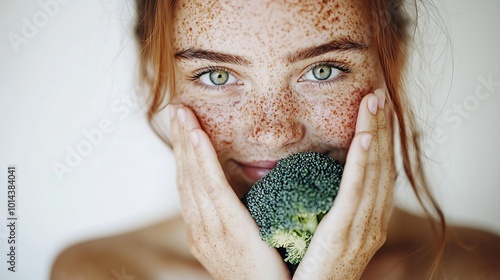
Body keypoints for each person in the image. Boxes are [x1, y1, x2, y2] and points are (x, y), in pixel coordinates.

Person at [51, 0, 500, 279]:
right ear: (158, 77)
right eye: (217, 75)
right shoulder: (99, 272)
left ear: (392, 64)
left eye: (322, 71)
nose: (273, 131)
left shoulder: (481, 267)